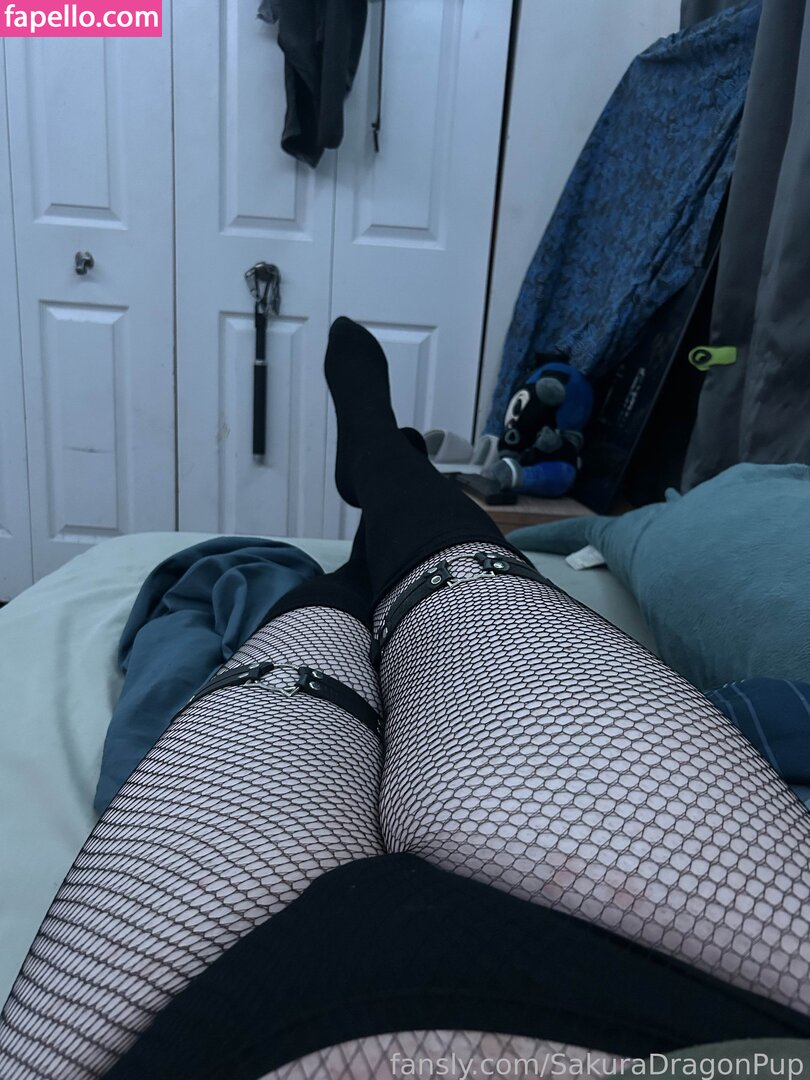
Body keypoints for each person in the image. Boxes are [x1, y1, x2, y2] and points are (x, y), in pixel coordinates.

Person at [1, 318, 808, 1080]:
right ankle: (386, 468)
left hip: (191, 1028)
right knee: (462, 581)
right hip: (728, 1010)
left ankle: (378, 488)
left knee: (305, 651)